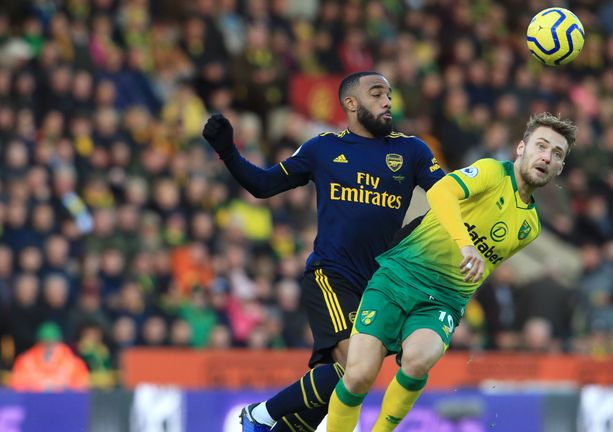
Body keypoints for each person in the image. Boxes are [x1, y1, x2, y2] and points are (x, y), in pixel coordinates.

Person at [201, 71, 445, 432]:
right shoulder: (323, 148)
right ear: (350, 103)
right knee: (353, 367)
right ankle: (259, 416)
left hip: (379, 286)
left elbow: (448, 198)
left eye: (389, 95)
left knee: (340, 384)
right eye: (376, 94)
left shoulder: (411, 151)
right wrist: (227, 151)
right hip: (332, 275)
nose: (387, 101)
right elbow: (264, 185)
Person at [326, 112, 577, 431]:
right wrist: (465, 244)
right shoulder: (490, 171)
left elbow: (481, 268)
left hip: (443, 300)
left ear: (559, 168)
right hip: (399, 275)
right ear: (520, 148)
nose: (546, 156)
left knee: (418, 360)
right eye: (541, 146)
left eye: (557, 154)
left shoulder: (530, 227)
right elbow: (441, 192)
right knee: (359, 376)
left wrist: (468, 293)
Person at [9, 321, 90, 391]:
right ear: (39, 342)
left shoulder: (74, 363)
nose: (48, 347)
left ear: (59, 341)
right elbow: (17, 386)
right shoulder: (25, 361)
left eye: (52, 342)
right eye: (45, 342)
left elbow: (81, 389)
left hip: (64, 404)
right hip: (33, 404)